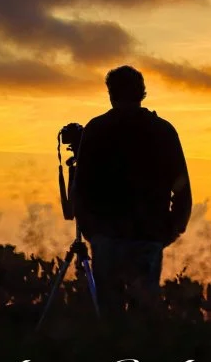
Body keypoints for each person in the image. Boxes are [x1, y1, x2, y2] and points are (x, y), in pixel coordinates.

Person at [71, 66, 192, 318]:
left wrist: (91, 230)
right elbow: (182, 187)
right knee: (144, 313)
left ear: (110, 93)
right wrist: (171, 230)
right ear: (142, 93)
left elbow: (80, 188)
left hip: (109, 236)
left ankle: (114, 354)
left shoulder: (96, 129)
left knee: (110, 313)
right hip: (147, 235)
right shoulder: (163, 130)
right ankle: (143, 354)